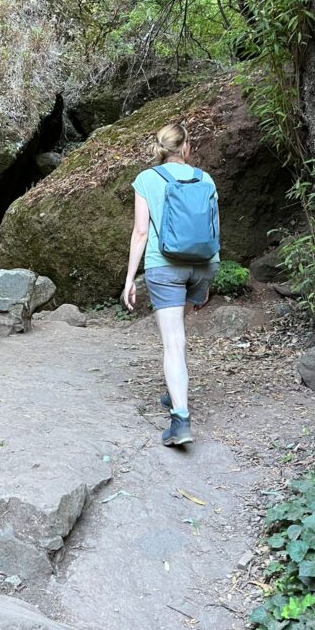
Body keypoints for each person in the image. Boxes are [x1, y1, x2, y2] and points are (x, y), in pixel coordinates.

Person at [121, 123, 220, 446]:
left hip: (165, 267)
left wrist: (129, 279)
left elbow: (141, 232)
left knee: (173, 342)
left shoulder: (148, 179)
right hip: (203, 265)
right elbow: (214, 227)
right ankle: (175, 387)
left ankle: (180, 419)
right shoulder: (205, 179)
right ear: (186, 146)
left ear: (160, 147)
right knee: (180, 335)